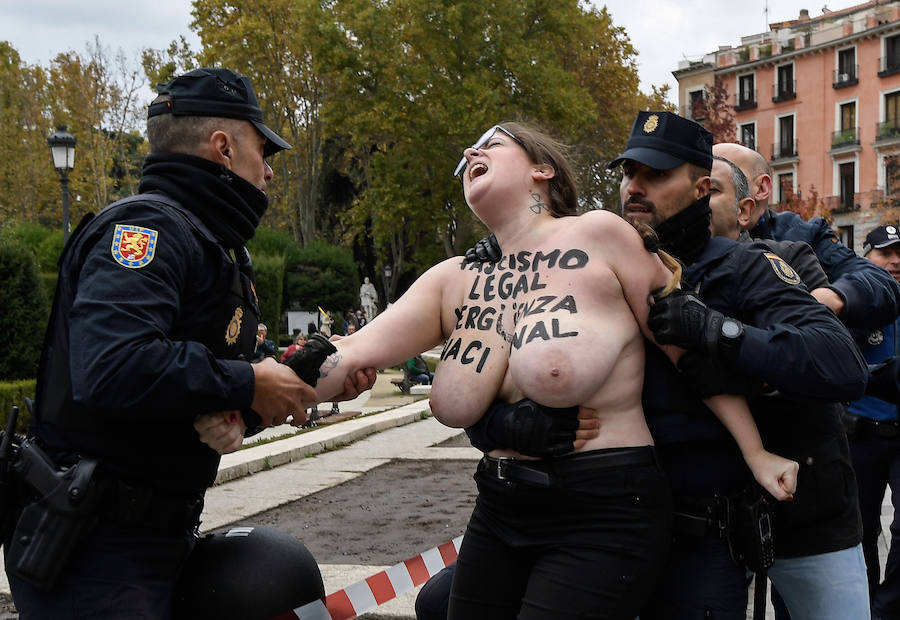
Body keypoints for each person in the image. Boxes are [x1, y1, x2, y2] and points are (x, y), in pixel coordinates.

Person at [197, 121, 798, 619]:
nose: (469, 153)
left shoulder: (600, 236)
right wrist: (244, 406)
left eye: (491, 142)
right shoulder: (454, 277)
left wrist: (755, 451)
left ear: (543, 170)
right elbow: (348, 355)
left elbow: (683, 352)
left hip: (606, 505)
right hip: (499, 506)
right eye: (468, 155)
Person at [5, 67, 373, 618]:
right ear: (224, 147)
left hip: (157, 535)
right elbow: (113, 366)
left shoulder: (210, 246)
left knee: (273, 576)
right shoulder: (143, 233)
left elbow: (183, 395)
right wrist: (248, 381)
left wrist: (284, 389)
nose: (269, 173)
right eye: (262, 152)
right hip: (94, 550)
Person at [707, 153, 870, 620]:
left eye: (713, 185)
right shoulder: (650, 272)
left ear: (747, 204)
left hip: (811, 502)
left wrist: (726, 339)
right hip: (702, 512)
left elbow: (836, 366)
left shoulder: (795, 253)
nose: (698, 194)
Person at [846, 225, 900, 619]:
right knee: (860, 532)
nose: (896, 261)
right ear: (865, 258)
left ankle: (886, 609)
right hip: (858, 435)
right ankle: (862, 608)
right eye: (884, 253)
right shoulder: (850, 303)